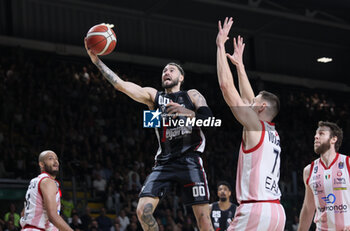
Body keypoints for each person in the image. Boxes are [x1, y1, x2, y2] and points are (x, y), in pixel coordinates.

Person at [85, 35, 214, 231]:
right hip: (164, 161)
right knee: (142, 212)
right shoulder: (154, 96)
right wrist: (97, 61)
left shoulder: (192, 95)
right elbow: (120, 85)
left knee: (204, 220)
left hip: (190, 159)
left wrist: (187, 112)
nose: (166, 72)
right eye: (164, 70)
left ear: (181, 77)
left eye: (171, 70)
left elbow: (209, 120)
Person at [216, 17, 285, 230]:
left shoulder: (255, 127)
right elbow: (248, 100)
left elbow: (227, 88)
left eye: (255, 102)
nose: (250, 102)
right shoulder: (272, 132)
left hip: (255, 210)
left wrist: (220, 46)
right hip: (276, 211)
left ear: (262, 108)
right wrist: (240, 66)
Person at [298, 121, 350, 231]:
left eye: (321, 134)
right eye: (316, 134)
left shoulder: (347, 163)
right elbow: (308, 208)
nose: (316, 137)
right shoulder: (309, 170)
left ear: (333, 139)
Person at [20, 150, 73, 231]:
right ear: (41, 164)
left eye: (57, 159)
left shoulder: (34, 182)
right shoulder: (47, 181)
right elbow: (52, 216)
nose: (56, 161)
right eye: (50, 158)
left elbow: (23, 213)